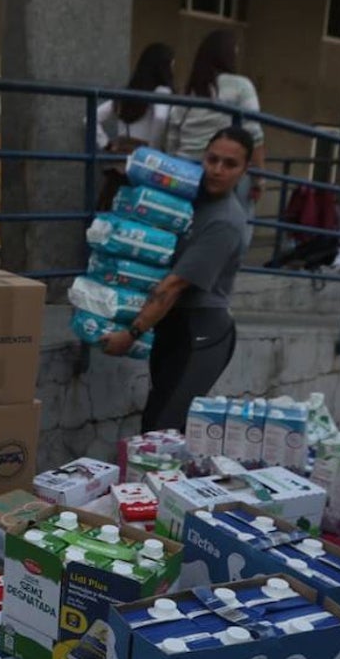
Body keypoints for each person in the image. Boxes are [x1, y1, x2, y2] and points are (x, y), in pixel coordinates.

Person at [102, 127, 254, 433]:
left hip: (200, 332)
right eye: (212, 159)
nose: (217, 170)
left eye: (230, 164)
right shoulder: (190, 195)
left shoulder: (225, 222)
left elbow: (173, 287)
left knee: (164, 428)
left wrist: (131, 333)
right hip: (172, 327)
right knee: (158, 420)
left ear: (244, 170)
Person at [166, 29, 267, 216]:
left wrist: (174, 167)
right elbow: (254, 133)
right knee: (234, 222)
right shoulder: (241, 86)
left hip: (184, 168)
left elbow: (173, 131)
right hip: (221, 167)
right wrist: (259, 179)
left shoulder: (191, 89)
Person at [95, 42, 176, 209]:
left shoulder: (126, 93)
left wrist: (106, 144)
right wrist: (153, 150)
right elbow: (161, 118)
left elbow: (90, 118)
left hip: (119, 162)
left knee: (110, 208)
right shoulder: (161, 91)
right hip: (144, 164)